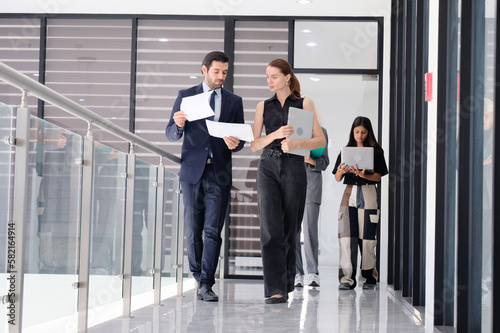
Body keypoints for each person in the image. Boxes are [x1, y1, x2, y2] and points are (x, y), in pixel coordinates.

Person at [166, 51, 245, 302]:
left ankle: (207, 284)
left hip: (219, 173)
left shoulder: (234, 101)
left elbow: (239, 139)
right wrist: (178, 124)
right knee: (193, 229)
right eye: (216, 72)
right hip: (192, 172)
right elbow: (170, 133)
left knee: (213, 230)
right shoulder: (186, 96)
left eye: (225, 72)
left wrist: (236, 143)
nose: (221, 77)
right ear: (204, 70)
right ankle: (198, 277)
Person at [251, 58, 326, 304]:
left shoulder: (305, 103)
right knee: (270, 230)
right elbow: (254, 145)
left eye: (273, 76)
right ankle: (275, 289)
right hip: (268, 166)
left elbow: (320, 141)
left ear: (286, 77)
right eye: (267, 77)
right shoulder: (263, 105)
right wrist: (275, 134)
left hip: (294, 166)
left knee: (290, 229)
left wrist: (297, 144)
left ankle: (285, 283)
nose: (269, 81)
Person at [333, 116, 388, 290]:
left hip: (369, 191)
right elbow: (336, 177)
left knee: (368, 238)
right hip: (349, 193)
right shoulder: (345, 150)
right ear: (353, 131)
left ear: (368, 132)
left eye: (363, 132)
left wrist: (364, 175)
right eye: (357, 132)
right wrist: (341, 172)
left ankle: (369, 276)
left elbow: (379, 176)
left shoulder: (376, 151)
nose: (360, 135)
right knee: (346, 237)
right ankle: (346, 278)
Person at [294, 127, 329, 288]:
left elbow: (324, 162)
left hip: (312, 187)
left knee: (310, 232)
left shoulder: (320, 132)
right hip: (292, 184)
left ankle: (313, 273)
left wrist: (311, 160)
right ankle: (296, 273)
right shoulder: (291, 130)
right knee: (293, 231)